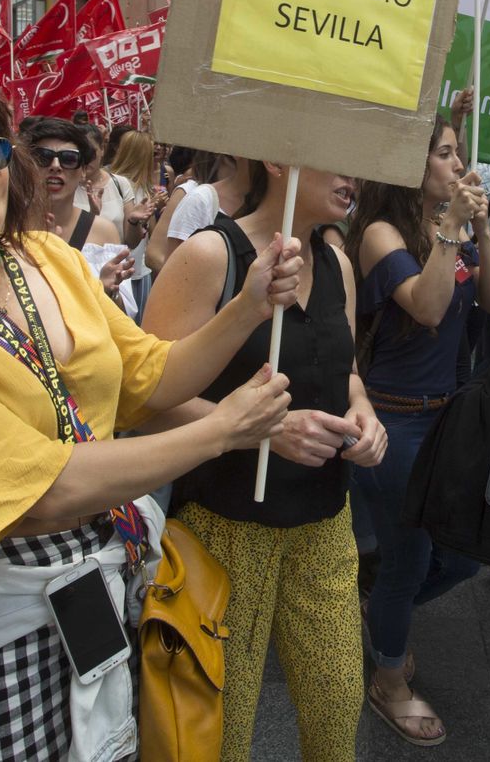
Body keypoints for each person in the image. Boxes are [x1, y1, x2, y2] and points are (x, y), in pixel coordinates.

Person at [0, 68, 298, 760]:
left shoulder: (48, 257)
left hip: (113, 574)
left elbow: (149, 380)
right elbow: (38, 489)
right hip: (3, 611)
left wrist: (248, 303)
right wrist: (220, 432)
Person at [144, 161, 387, 762]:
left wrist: (364, 413)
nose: (355, 170)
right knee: (221, 727)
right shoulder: (211, 255)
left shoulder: (337, 263)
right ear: (282, 161)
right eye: (340, 153)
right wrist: (265, 431)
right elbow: (148, 400)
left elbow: (344, 370)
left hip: (326, 517)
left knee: (337, 707)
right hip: (226, 526)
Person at [346, 119, 490, 746]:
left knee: (463, 557)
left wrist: (482, 230)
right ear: (411, 166)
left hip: (447, 419)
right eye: (444, 154)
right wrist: (450, 232)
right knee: (409, 557)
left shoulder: (457, 233)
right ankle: (389, 679)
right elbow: (429, 306)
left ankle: (382, 613)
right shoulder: (383, 234)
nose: (456, 163)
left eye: (457, 153)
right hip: (395, 419)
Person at [17, 115, 136, 312]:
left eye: (69, 159)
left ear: (83, 171)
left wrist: (106, 292)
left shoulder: (102, 231)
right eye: (43, 158)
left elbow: (125, 317)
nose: (55, 166)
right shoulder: (7, 225)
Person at [106, 130, 164, 313]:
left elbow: (151, 235)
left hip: (141, 269)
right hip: (119, 274)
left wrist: (158, 208)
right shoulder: (112, 186)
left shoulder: (144, 188)